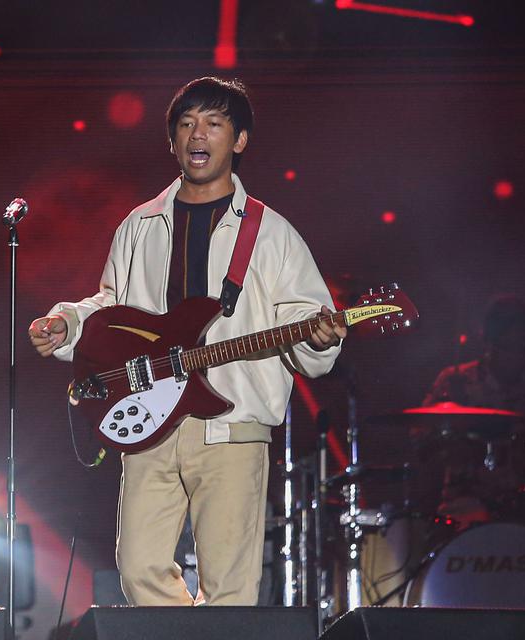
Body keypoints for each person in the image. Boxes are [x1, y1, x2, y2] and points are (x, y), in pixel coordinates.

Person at [27, 77, 345, 606]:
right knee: (138, 571)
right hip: (148, 416)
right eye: (187, 123)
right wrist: (70, 325)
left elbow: (304, 322)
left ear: (239, 140)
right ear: (172, 140)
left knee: (230, 586)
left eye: (215, 123)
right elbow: (113, 307)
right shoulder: (140, 224)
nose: (199, 134)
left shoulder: (271, 233)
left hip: (232, 422)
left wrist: (320, 335)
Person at [421, 294, 525, 524]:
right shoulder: (456, 381)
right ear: (488, 343)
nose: (518, 356)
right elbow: (422, 437)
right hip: (466, 504)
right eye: (509, 347)